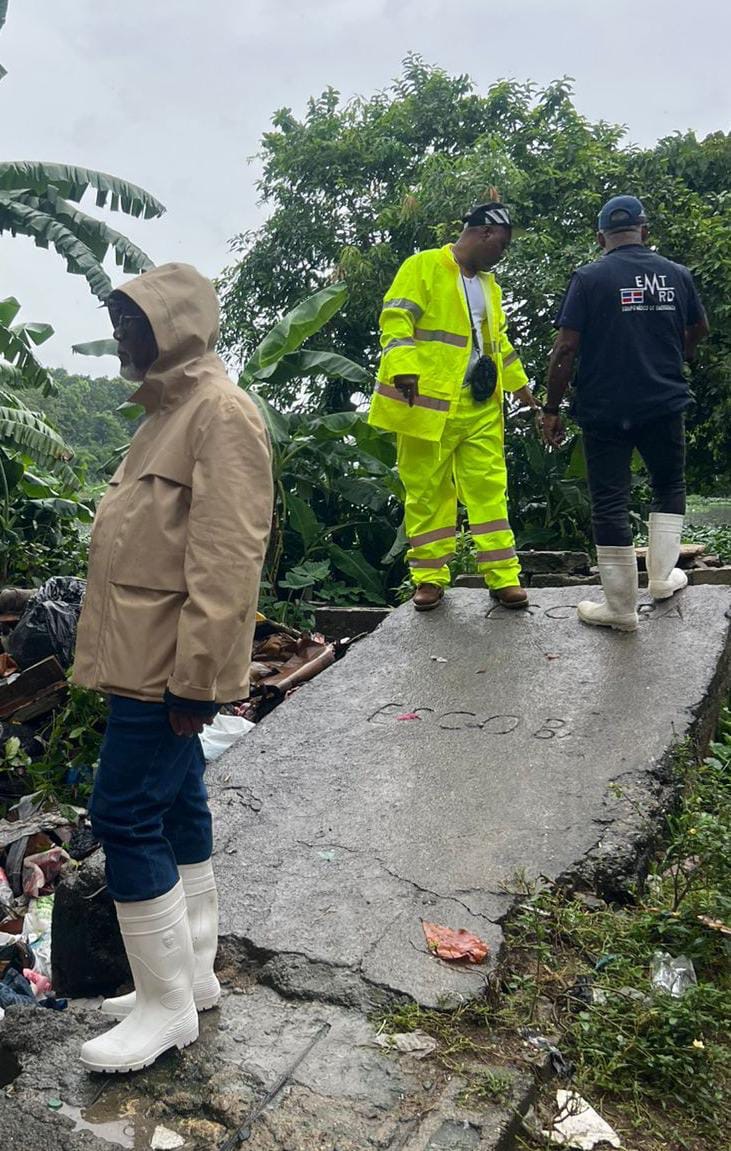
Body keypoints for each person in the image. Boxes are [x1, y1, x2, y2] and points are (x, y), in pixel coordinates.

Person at [72, 263, 273, 1073]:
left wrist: (198, 676)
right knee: (179, 806)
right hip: (143, 657)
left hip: (168, 665)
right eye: (117, 320)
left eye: (135, 321)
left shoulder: (219, 414)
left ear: (177, 325)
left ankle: (163, 1010)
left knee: (121, 813)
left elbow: (227, 557)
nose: (122, 335)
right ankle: (188, 978)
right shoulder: (164, 414)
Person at [543, 195, 708, 631]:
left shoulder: (589, 278)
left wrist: (551, 407)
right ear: (645, 232)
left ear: (601, 238)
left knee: (610, 500)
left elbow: (565, 348)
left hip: (605, 408)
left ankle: (620, 609)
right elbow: (699, 328)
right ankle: (660, 579)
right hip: (663, 401)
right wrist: (678, 355)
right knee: (668, 482)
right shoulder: (678, 276)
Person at [368, 203, 538, 611]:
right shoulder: (423, 266)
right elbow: (395, 321)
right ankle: (429, 579)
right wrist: (403, 368)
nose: (504, 252)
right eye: (503, 243)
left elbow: (499, 345)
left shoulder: (490, 286)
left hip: (479, 405)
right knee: (427, 492)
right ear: (484, 233)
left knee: (489, 490)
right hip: (426, 403)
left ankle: (503, 578)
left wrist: (522, 390)